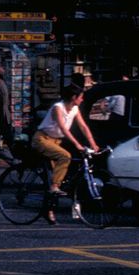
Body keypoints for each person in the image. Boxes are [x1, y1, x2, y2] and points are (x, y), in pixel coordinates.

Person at [32, 73, 100, 224]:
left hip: (55, 141)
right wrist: (77, 145)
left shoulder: (75, 110)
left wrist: (93, 144)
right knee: (65, 156)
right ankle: (54, 187)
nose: (82, 99)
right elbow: (63, 128)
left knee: (61, 176)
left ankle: (48, 209)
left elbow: (83, 126)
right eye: (80, 97)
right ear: (73, 98)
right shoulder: (58, 108)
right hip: (42, 139)